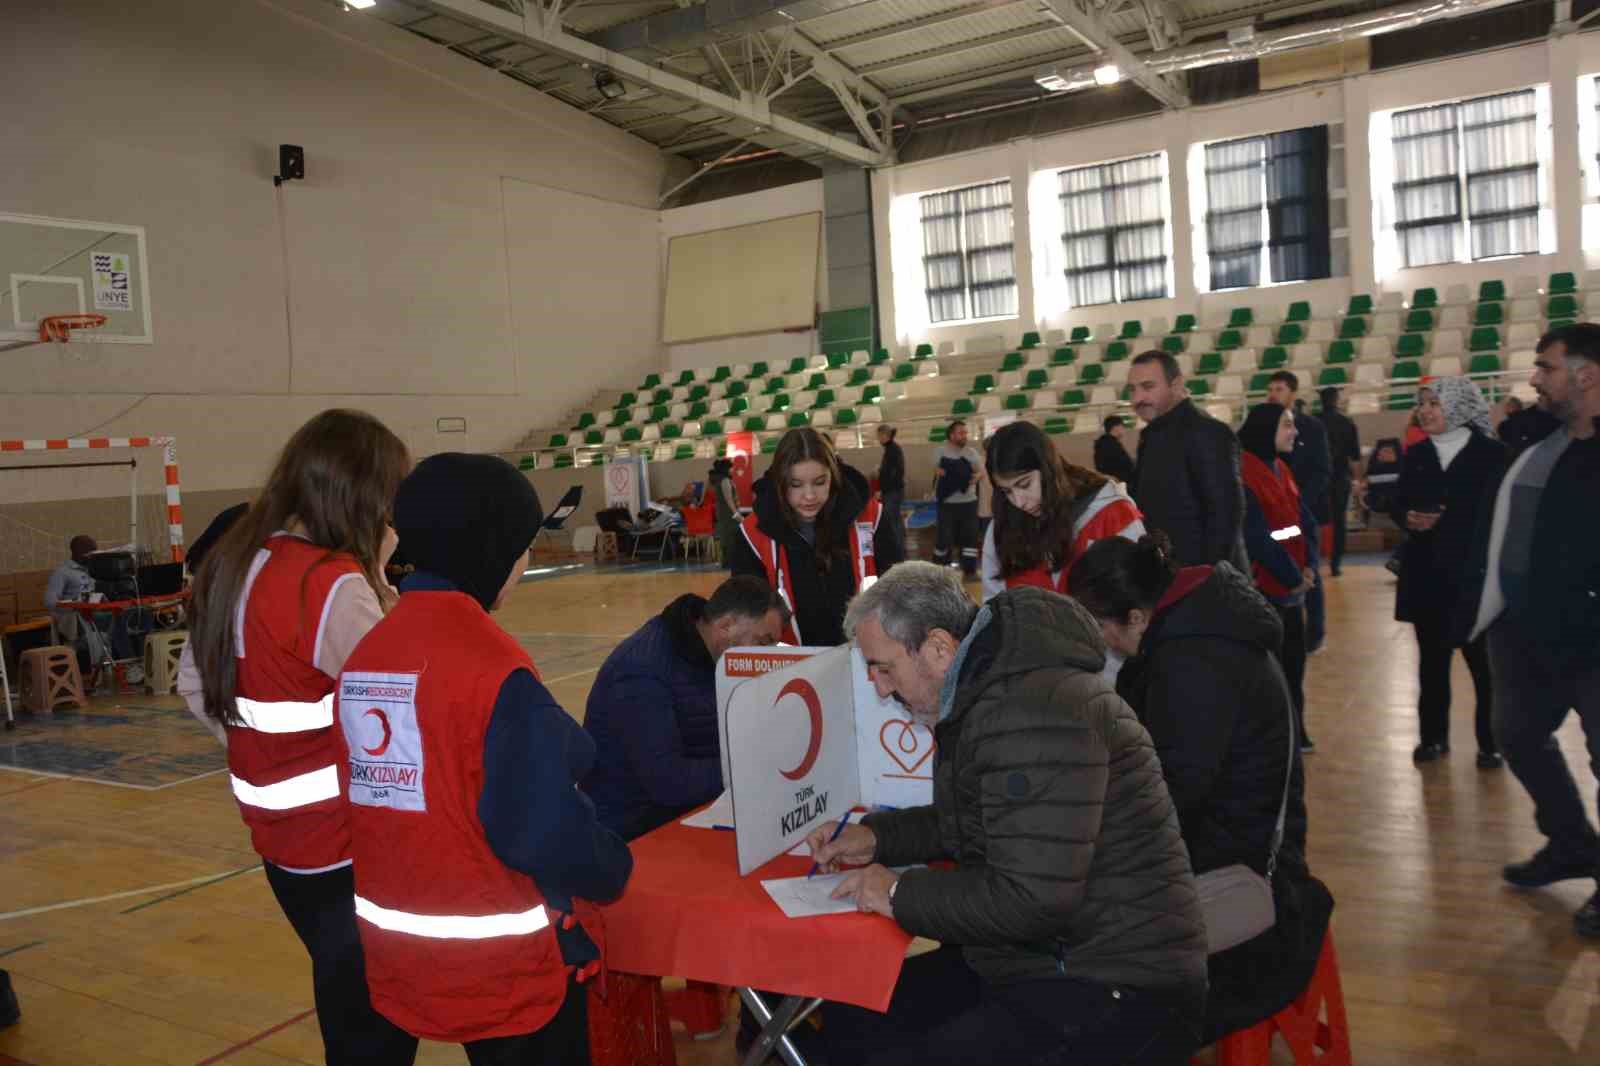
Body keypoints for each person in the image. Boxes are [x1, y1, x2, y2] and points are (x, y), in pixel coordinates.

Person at [810, 563, 1207, 1066]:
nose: (880, 688)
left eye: (883, 667)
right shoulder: (995, 695)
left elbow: (1030, 898)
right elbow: (982, 821)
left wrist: (895, 892)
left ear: (937, 648)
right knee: (854, 1016)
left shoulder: (1032, 712)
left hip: (1120, 983)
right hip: (1045, 957)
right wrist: (877, 839)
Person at [334, 452, 632, 1062]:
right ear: (489, 550)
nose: (522, 566)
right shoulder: (493, 668)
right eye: (521, 548)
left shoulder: (367, 654)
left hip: (399, 949)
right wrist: (611, 865)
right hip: (503, 963)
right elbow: (542, 829)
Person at [188, 409, 413, 1064]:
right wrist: (377, 577)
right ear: (363, 495)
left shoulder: (236, 563)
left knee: (351, 1014)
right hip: (346, 846)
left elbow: (193, 688)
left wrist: (265, 749)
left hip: (279, 841)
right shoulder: (332, 586)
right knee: (372, 1031)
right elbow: (404, 701)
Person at [1068, 534, 1335, 1043]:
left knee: (1069, 940)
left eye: (1101, 630)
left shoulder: (1195, 664)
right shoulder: (1188, 634)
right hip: (1219, 837)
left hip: (1241, 870)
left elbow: (1167, 800)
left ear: (1138, 618)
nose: (1102, 645)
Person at [1463, 323, 1600, 939]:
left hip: (1594, 638)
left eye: (1545, 367)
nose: (1533, 379)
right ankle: (1570, 841)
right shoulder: (1538, 438)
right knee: (1516, 734)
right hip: (1526, 631)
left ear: (1586, 375)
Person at [582, 575, 789, 840]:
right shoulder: (640, 671)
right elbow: (668, 782)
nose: (768, 655)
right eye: (763, 642)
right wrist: (752, 767)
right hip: (632, 834)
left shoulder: (715, 656)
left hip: (688, 814)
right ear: (725, 626)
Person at [1391, 378, 1507, 768]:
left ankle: (1490, 743)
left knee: (1485, 671)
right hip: (1428, 578)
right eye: (1421, 403)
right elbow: (1400, 502)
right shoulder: (1417, 452)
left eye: (1434, 403)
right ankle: (1433, 738)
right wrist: (1406, 517)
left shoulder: (1493, 455)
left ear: (1459, 406)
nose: (1425, 410)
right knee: (1432, 667)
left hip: (1476, 581)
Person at [729, 427, 900, 646]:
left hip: (865, 658)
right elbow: (747, 619)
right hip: (790, 667)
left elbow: (899, 591)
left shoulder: (871, 516)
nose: (809, 496)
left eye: (820, 482)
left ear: (834, 476)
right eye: (796, 485)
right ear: (780, 482)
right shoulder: (751, 534)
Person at [979, 420, 1144, 607]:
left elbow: (1142, 597)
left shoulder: (1112, 512)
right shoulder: (1001, 528)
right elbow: (993, 608)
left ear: (1048, 468)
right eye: (1007, 491)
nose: (1019, 501)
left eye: (1024, 484)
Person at [1236, 403, 1319, 753]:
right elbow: (1256, 538)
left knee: (1294, 667)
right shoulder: (1244, 474)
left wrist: (1310, 566)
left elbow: (1305, 522)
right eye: (1287, 425)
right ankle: (1276, 737)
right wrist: (1291, 576)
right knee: (1271, 673)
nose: (1294, 432)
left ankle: (1295, 729)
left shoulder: (1281, 468)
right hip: (1268, 589)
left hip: (1294, 586)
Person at [1128, 350, 1250, 572]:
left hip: (1207, 585)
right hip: (1172, 577)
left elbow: (1226, 512)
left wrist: (1207, 578)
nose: (1137, 399)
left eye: (1148, 387)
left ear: (1176, 385)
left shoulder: (1207, 432)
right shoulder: (1153, 435)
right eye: (1132, 389)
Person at [1268, 372, 1331, 653]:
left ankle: (1315, 633)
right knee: (1280, 568)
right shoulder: (1266, 428)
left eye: (1279, 389)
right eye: (1270, 389)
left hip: (1303, 513)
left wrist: (1299, 503)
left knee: (1309, 571)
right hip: (1276, 517)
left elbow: (1322, 470)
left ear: (1293, 393)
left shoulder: (1312, 428)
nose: (1273, 394)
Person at [1316, 387, 1361, 577]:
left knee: (1312, 519)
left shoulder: (1313, 422)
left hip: (1317, 478)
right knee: (1339, 521)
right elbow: (1355, 455)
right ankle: (1335, 564)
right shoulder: (1347, 422)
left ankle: (1310, 561)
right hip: (1340, 476)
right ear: (1337, 400)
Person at [931, 419, 983, 576]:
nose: (965, 435)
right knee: (944, 539)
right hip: (948, 504)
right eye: (961, 433)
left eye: (965, 433)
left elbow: (980, 472)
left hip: (969, 503)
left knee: (969, 539)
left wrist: (976, 477)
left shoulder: (972, 453)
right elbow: (936, 469)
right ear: (952, 435)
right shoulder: (940, 451)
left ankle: (970, 570)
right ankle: (940, 571)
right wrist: (952, 472)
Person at [874, 424, 907, 568]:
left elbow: (893, 473)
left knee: (892, 522)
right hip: (893, 490)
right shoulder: (892, 449)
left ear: (885, 435)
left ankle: (897, 553)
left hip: (892, 491)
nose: (879, 438)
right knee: (896, 521)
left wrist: (883, 488)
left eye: (880, 435)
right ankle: (899, 552)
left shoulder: (892, 450)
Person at [708, 459, 741, 567]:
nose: (733, 470)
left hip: (722, 512)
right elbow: (729, 499)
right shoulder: (725, 480)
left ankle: (726, 562)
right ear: (726, 469)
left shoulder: (718, 480)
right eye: (731, 468)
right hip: (728, 513)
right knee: (731, 536)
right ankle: (730, 562)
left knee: (726, 536)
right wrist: (736, 513)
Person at [1094, 414, 1137, 483]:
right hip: (1120, 483)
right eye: (1123, 427)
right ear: (1116, 427)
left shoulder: (1103, 443)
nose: (1124, 429)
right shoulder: (1111, 445)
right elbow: (1125, 465)